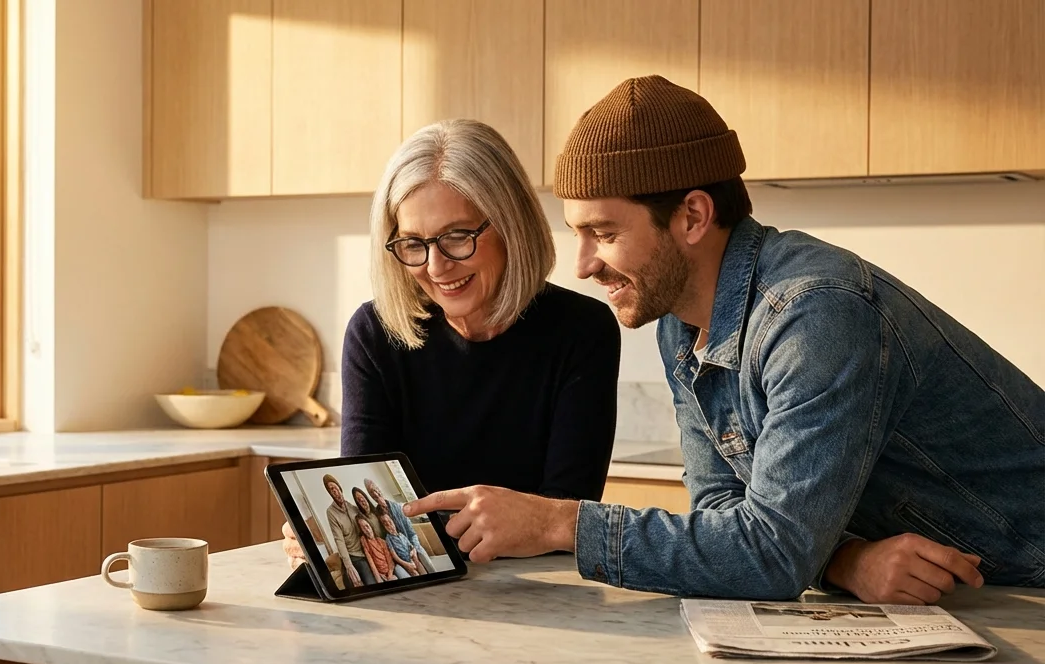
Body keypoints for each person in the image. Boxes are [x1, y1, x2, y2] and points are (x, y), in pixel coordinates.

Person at [404, 76, 1045, 604]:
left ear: (691, 216)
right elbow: (724, 511)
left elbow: (767, 557)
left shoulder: (816, 314)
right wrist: (844, 560)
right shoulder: (682, 322)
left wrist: (555, 521)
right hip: (982, 599)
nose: (582, 265)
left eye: (603, 232)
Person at [282, 118, 621, 569]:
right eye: (413, 243)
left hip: (539, 596)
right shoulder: (374, 334)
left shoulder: (582, 330)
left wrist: (409, 532)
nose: (436, 266)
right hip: (412, 587)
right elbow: (368, 507)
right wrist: (328, 538)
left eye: (457, 237)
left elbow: (564, 517)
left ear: (511, 224)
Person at [365, 477, 433, 574]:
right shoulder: (378, 515)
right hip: (398, 553)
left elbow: (411, 533)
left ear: (380, 489)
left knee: (421, 555)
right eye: (372, 493)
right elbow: (387, 543)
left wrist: (414, 549)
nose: (375, 494)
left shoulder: (398, 507)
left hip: (411, 545)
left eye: (376, 490)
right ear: (370, 497)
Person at [320, 474, 373, 587]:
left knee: (371, 582)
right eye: (331, 489)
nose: (335, 491)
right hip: (352, 555)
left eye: (335, 487)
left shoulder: (353, 507)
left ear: (340, 488)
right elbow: (339, 540)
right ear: (330, 493)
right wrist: (349, 566)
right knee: (350, 584)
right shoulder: (331, 512)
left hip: (365, 552)